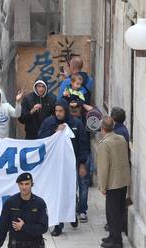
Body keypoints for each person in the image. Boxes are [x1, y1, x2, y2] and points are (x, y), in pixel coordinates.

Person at [38, 99, 89, 236]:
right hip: (54, 165)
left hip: (71, 165)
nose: (58, 113)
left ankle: (72, 213)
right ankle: (58, 225)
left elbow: (84, 145)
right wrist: (55, 131)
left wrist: (82, 164)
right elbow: (41, 138)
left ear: (66, 111)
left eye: (61, 111)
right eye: (56, 111)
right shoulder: (49, 123)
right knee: (57, 193)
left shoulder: (76, 124)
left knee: (70, 191)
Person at [97, 117, 131, 248]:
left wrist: (102, 186)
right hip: (122, 181)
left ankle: (116, 241)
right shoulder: (121, 139)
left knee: (113, 213)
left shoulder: (104, 143)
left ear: (102, 128)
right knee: (118, 210)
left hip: (112, 183)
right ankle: (112, 235)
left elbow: (103, 168)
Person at [0, 172, 48, 248]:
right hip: (16, 243)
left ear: (32, 185)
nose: (24, 187)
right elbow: (2, 228)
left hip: (35, 244)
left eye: (27, 184)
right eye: (21, 184)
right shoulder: (10, 202)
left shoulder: (39, 203)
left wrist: (23, 227)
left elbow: (43, 228)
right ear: (18, 185)